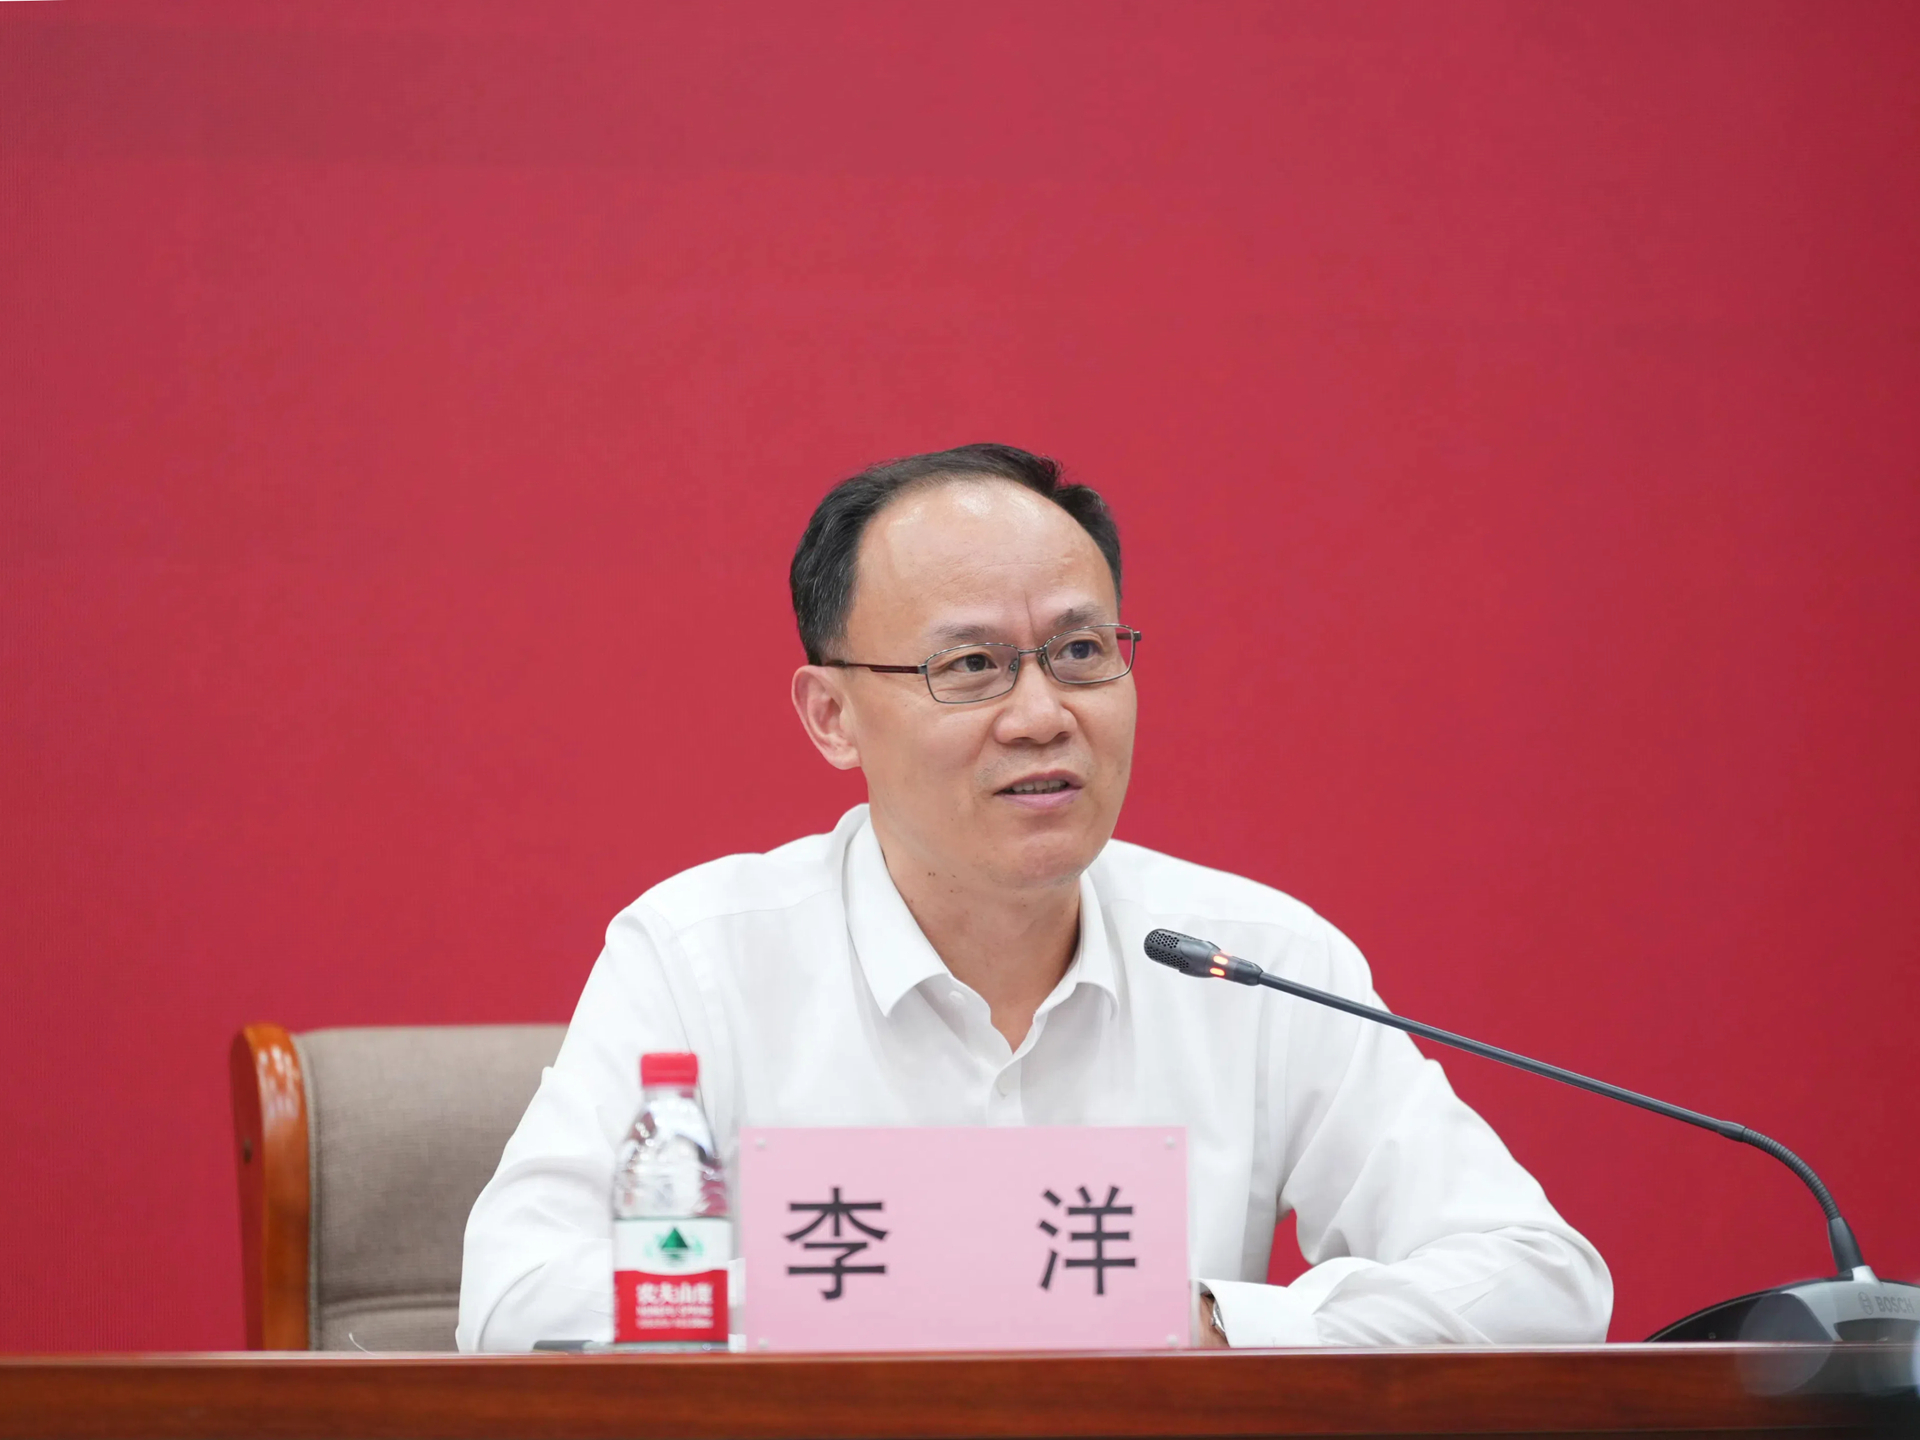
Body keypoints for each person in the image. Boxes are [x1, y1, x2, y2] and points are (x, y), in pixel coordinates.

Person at [456, 443, 1610, 1350]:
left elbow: (1540, 1281)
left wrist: (1210, 1327)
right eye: (970, 666)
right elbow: (519, 1301)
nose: (1043, 714)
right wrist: (949, 1303)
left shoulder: (1256, 959)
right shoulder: (699, 957)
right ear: (832, 717)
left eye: (1081, 653)